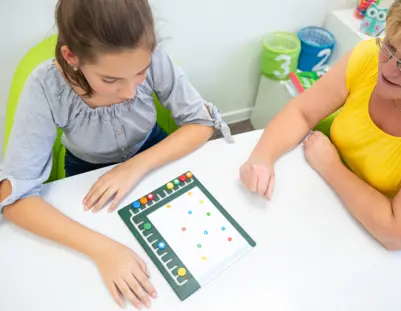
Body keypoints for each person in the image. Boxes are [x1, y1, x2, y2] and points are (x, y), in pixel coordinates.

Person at [0, 0, 231, 309]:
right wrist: (103, 250)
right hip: (86, 170)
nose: (130, 93)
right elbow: (15, 199)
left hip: (151, 153)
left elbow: (201, 122)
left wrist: (134, 167)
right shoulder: (45, 87)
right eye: (110, 80)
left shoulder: (154, 57)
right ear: (72, 57)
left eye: (140, 72)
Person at [240, 0, 401, 251]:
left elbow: (396, 232)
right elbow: (302, 111)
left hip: (367, 233)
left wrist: (331, 166)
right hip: (319, 197)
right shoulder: (369, 54)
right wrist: (262, 156)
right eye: (390, 44)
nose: (387, 67)